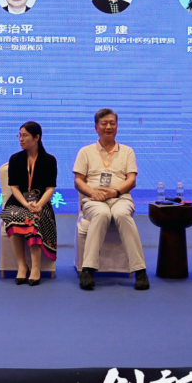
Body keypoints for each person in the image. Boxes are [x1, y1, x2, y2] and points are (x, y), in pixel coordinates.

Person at [73, 108, 148, 290]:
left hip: (120, 198)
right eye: (104, 123)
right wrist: (93, 193)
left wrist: (114, 192)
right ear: (96, 128)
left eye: (112, 123)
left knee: (122, 215)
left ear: (117, 127)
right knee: (102, 214)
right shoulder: (85, 151)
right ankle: (87, 270)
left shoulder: (127, 151)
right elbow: (78, 181)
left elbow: (131, 180)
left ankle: (140, 271)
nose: (108, 127)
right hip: (94, 200)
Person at [1, 121, 58, 285]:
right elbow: (14, 187)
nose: (21, 139)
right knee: (13, 217)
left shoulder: (50, 160)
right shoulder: (15, 159)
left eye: (25, 135)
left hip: (41, 202)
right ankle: (22, 265)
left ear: (36, 137)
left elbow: (50, 188)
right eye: (19, 135)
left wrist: (39, 205)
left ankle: (35, 268)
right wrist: (26, 205)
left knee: (33, 219)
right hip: (18, 202)